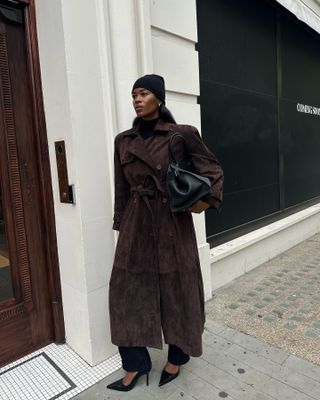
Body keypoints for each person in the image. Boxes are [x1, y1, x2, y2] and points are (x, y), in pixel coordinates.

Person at [107, 74, 223, 392]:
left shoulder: (181, 135)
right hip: (136, 223)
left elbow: (213, 170)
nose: (137, 99)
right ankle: (134, 365)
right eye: (133, 94)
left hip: (172, 223)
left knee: (179, 291)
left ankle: (177, 357)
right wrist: (122, 224)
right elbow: (121, 188)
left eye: (143, 93)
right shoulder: (123, 141)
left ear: (159, 98)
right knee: (125, 295)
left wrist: (201, 203)